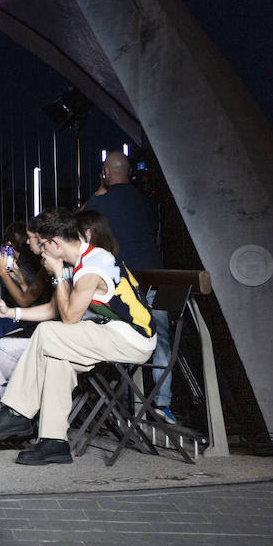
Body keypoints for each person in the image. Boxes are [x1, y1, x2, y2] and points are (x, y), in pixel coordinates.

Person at [0, 207, 154, 465]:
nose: (40, 253)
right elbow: (53, 309)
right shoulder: (76, 263)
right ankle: (53, 442)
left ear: (55, 243)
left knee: (49, 333)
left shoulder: (93, 264)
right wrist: (11, 312)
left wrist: (57, 274)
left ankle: (17, 412)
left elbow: (68, 319)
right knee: (58, 359)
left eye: (42, 246)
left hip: (133, 338)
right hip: (109, 331)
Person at [83, 152, 174, 420]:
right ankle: (162, 405)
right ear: (131, 173)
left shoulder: (102, 203)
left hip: (124, 283)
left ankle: (122, 401)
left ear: (105, 173)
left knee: (119, 335)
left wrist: (99, 191)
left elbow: (78, 224)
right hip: (158, 277)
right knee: (161, 340)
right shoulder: (147, 202)